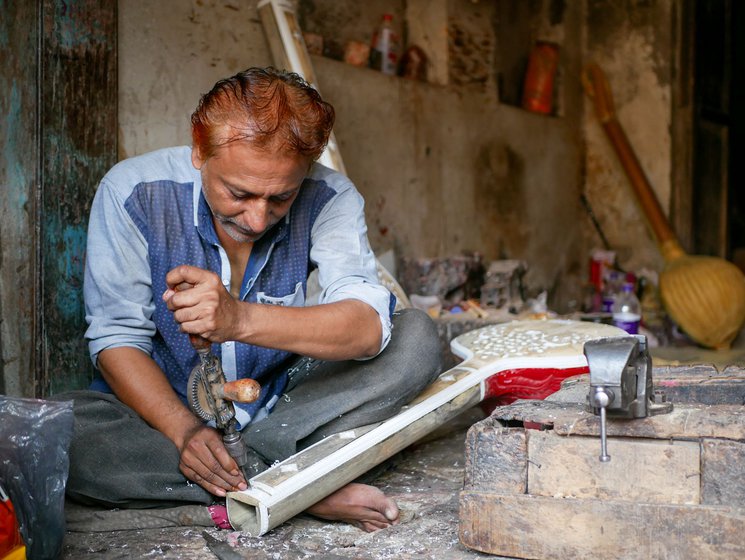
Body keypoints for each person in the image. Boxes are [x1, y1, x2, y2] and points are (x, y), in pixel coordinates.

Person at [59, 67, 441, 533]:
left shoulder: (330, 197)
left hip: (286, 411)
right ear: (199, 150)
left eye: (281, 198)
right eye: (238, 193)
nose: (258, 219)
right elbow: (117, 339)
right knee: (61, 431)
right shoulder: (133, 193)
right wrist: (183, 431)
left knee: (415, 339)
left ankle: (252, 487)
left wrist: (239, 319)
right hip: (169, 418)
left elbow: (367, 327)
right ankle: (302, 487)